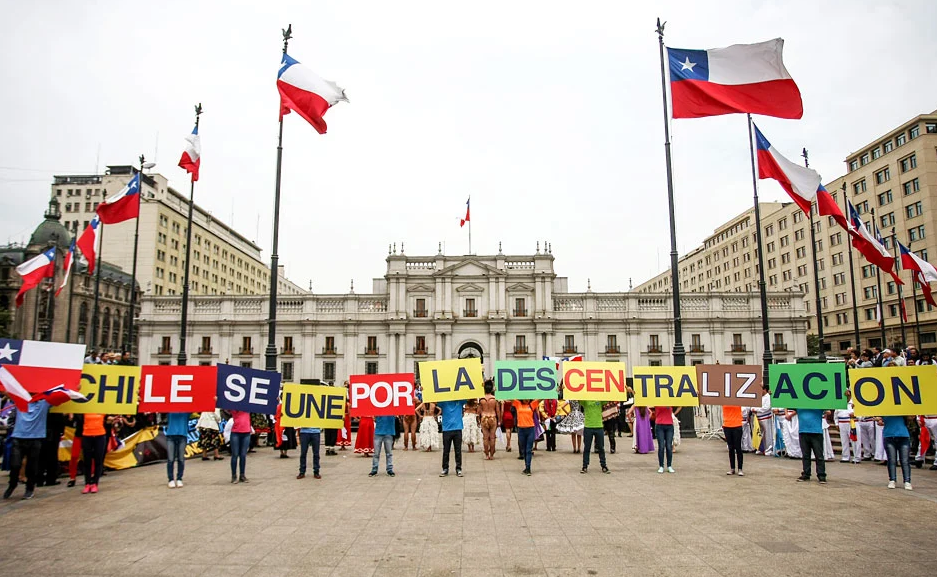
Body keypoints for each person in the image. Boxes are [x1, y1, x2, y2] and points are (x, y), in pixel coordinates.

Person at [3, 399, 51, 500]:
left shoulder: (44, 403)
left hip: (35, 438)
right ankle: (12, 484)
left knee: (32, 466)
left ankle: (29, 489)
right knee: (14, 464)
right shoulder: (20, 400)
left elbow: (62, 397)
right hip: (18, 437)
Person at [79, 413, 109, 494]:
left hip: (100, 435)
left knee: (98, 460)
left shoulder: (102, 408)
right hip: (87, 435)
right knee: (87, 460)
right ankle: (87, 483)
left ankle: (95, 483)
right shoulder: (85, 408)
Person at [879, 415, 912, 490]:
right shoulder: (884, 410)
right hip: (889, 436)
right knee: (892, 460)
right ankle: (892, 480)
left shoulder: (903, 410)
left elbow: (911, 417)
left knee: (905, 461)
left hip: (903, 436)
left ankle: (907, 481)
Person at [795, 408, 826, 484]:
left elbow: (836, 403)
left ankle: (821, 475)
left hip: (816, 432)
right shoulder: (798, 403)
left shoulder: (820, 403)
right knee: (805, 455)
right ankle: (806, 473)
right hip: (803, 431)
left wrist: (847, 397)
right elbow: (785, 401)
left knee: (819, 455)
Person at [579, 400, 609, 474]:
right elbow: (576, 397)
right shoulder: (585, 401)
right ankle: (585, 466)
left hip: (599, 426)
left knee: (601, 447)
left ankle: (604, 465)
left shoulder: (600, 400)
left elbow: (609, 398)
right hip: (588, 426)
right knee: (587, 448)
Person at [438, 400, 466, 477]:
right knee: (446, 451)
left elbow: (470, 398)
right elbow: (433, 401)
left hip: (457, 428)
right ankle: (445, 468)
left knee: (458, 450)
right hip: (447, 429)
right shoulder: (444, 402)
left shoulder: (460, 401)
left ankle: (458, 469)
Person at [512, 399, 540, 476]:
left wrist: (556, 390)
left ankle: (528, 468)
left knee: (528, 450)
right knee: (523, 449)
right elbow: (508, 396)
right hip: (521, 430)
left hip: (530, 429)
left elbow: (542, 398)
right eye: (525, 398)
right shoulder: (517, 404)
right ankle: (526, 466)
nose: (526, 399)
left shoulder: (532, 404)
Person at [38, 410, 65, 487]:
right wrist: (61, 431)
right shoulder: (56, 409)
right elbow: (61, 421)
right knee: (52, 457)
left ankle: (39, 479)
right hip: (53, 434)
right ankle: (50, 479)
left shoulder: (41, 407)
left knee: (41, 457)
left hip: (41, 434)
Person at [165, 412, 189, 489]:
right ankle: (171, 479)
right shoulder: (169, 408)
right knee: (170, 459)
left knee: (181, 459)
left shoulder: (187, 409)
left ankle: (179, 478)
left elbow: (199, 406)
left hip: (182, 435)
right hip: (171, 435)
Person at [834, 393, 860, 464]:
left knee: (855, 440)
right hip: (842, 422)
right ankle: (845, 456)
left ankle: (856, 457)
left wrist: (856, 415)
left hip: (852, 422)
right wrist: (836, 423)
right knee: (844, 440)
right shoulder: (839, 403)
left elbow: (861, 414)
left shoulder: (855, 402)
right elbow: (835, 414)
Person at [654, 406, 681, 474]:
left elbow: (680, 404)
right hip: (659, 425)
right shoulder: (656, 400)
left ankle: (669, 465)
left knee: (669, 446)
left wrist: (674, 414)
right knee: (661, 446)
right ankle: (661, 466)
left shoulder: (670, 400)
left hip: (669, 425)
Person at [479, 381, 500, 459]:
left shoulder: (481, 399)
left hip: (484, 417)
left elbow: (479, 411)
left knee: (485, 437)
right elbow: (497, 411)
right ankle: (491, 455)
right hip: (492, 417)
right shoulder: (495, 399)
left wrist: (478, 419)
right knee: (492, 437)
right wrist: (500, 420)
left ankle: (487, 455)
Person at [229, 409, 251, 483]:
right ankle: (234, 475)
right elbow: (225, 405)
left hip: (246, 432)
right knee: (235, 454)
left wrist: (274, 401)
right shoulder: (234, 406)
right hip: (236, 432)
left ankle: (242, 475)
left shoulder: (248, 405)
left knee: (243, 455)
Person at [723, 405, 744, 476]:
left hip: (737, 425)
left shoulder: (737, 400)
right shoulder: (723, 400)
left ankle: (740, 468)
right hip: (727, 425)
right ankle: (732, 468)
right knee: (730, 448)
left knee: (738, 448)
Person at [755, 385, 774, 456]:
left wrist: (756, 409)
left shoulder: (768, 397)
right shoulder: (759, 397)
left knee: (767, 434)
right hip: (758, 418)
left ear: (764, 390)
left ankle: (768, 449)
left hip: (765, 418)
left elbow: (766, 408)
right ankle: (760, 448)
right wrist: (753, 409)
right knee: (759, 434)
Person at [337, 382, 352, 450]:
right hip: (346, 417)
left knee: (341, 430)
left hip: (341, 417)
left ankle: (341, 443)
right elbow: (349, 412)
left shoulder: (341, 403)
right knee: (345, 430)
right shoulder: (348, 404)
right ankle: (344, 443)